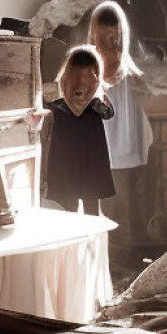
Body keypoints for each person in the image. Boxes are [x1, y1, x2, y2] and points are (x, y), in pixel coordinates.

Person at [43, 46, 115, 216]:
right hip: (81, 157)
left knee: (78, 204)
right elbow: (108, 113)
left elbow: (108, 113)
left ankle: (85, 239)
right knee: (78, 205)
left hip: (75, 158)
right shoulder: (92, 105)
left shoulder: (90, 105)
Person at [88, 0, 153, 170]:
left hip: (122, 125)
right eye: (106, 34)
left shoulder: (124, 63)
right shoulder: (91, 59)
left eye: (114, 33)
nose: (111, 38)